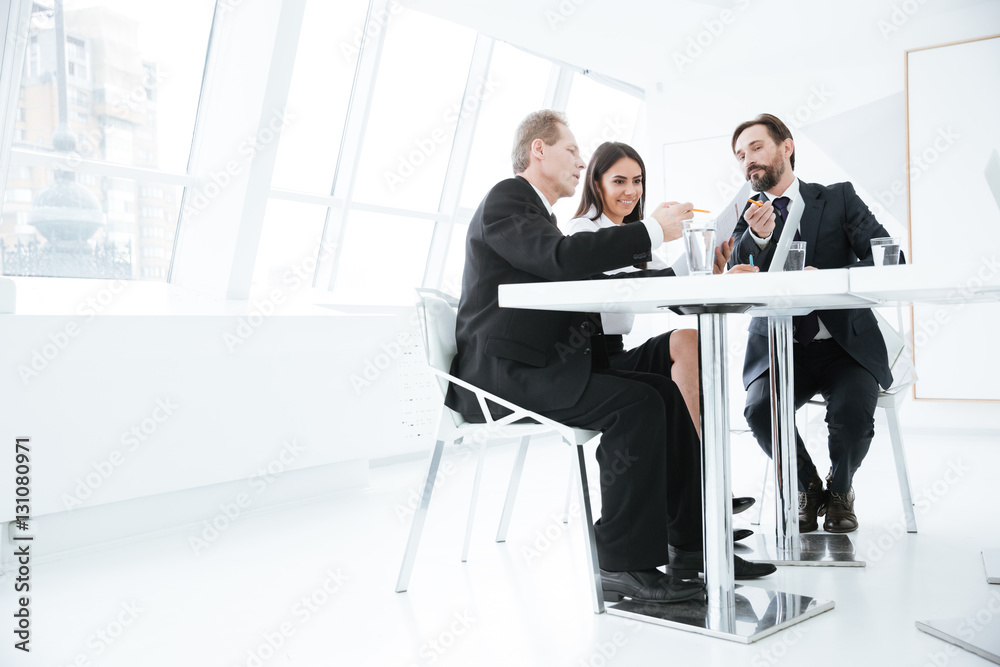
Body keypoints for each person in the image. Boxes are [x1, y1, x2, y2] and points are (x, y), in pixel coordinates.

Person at [446, 110, 774, 605]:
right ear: (539, 149)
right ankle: (621, 564)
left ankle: (692, 547)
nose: (580, 162)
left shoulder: (539, 216)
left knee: (662, 392)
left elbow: (596, 281)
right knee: (637, 405)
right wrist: (654, 232)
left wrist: (703, 278)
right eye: (573, 151)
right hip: (506, 374)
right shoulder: (507, 200)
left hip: (549, 362)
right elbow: (563, 260)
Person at [561, 141, 759, 530]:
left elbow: (674, 297)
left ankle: (702, 473)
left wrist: (716, 269)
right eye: (618, 181)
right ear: (595, 184)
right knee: (678, 353)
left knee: (688, 339)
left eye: (637, 181)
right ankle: (700, 490)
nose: (630, 191)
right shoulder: (583, 231)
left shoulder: (633, 236)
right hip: (589, 359)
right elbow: (625, 290)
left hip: (616, 352)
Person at [727, 113, 901, 534]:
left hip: (845, 346)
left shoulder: (838, 197)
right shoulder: (747, 214)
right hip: (781, 348)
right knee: (760, 409)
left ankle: (841, 490)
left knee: (853, 410)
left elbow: (887, 255)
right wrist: (760, 240)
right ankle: (807, 487)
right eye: (740, 155)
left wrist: (827, 280)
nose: (748, 160)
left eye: (756, 147)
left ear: (786, 147)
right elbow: (735, 275)